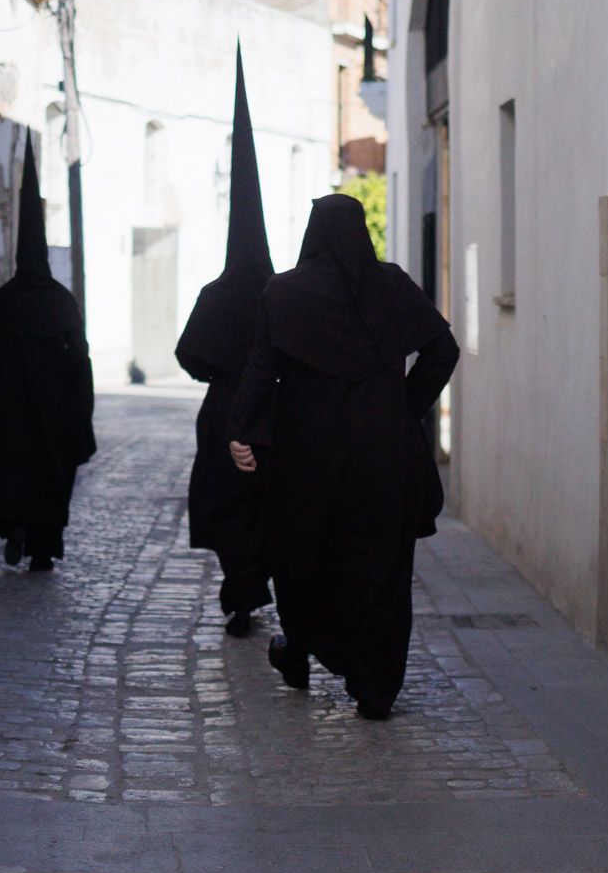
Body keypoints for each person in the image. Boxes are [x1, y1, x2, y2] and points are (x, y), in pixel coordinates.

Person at [228, 193, 458, 720]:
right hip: (384, 458)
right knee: (381, 569)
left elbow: (261, 369)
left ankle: (306, 647)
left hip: (307, 461)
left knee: (306, 559)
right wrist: (403, 408)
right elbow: (442, 350)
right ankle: (375, 687)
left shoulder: (284, 294)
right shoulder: (392, 285)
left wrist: (240, 430)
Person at [175, 48, 273, 636]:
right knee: (261, 507)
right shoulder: (283, 293)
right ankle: (252, 585)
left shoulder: (217, 292)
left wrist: (220, 373)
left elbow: (188, 355)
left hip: (223, 415)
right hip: (270, 417)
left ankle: (240, 592)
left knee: (229, 507)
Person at [0, 131, 96, 571]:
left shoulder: (5, 301)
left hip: (15, 410)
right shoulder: (61, 301)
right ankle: (43, 548)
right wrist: (80, 411)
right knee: (49, 474)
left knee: (15, 471)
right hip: (56, 413)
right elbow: (79, 359)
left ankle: (15, 529)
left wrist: (17, 364)